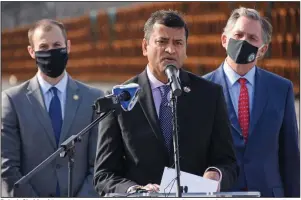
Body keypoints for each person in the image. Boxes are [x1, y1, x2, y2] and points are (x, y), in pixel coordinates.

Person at [93, 10, 238, 196]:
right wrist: (135, 191)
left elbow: (228, 162)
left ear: (185, 49)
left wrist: (216, 175)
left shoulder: (210, 95)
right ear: (145, 47)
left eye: (178, 43)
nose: (171, 50)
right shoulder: (120, 98)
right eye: (162, 42)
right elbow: (104, 175)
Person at [203, 7, 300, 197]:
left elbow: (290, 155)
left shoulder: (281, 88)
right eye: (238, 35)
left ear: (262, 49)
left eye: (252, 38)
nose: (243, 42)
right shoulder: (202, 89)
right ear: (225, 40)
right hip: (221, 193)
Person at [1, 19, 104, 197]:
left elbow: (99, 164)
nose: (51, 51)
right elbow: (8, 168)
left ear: (68, 46)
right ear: (31, 51)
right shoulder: (12, 100)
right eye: (44, 47)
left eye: (57, 45)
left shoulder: (93, 98)